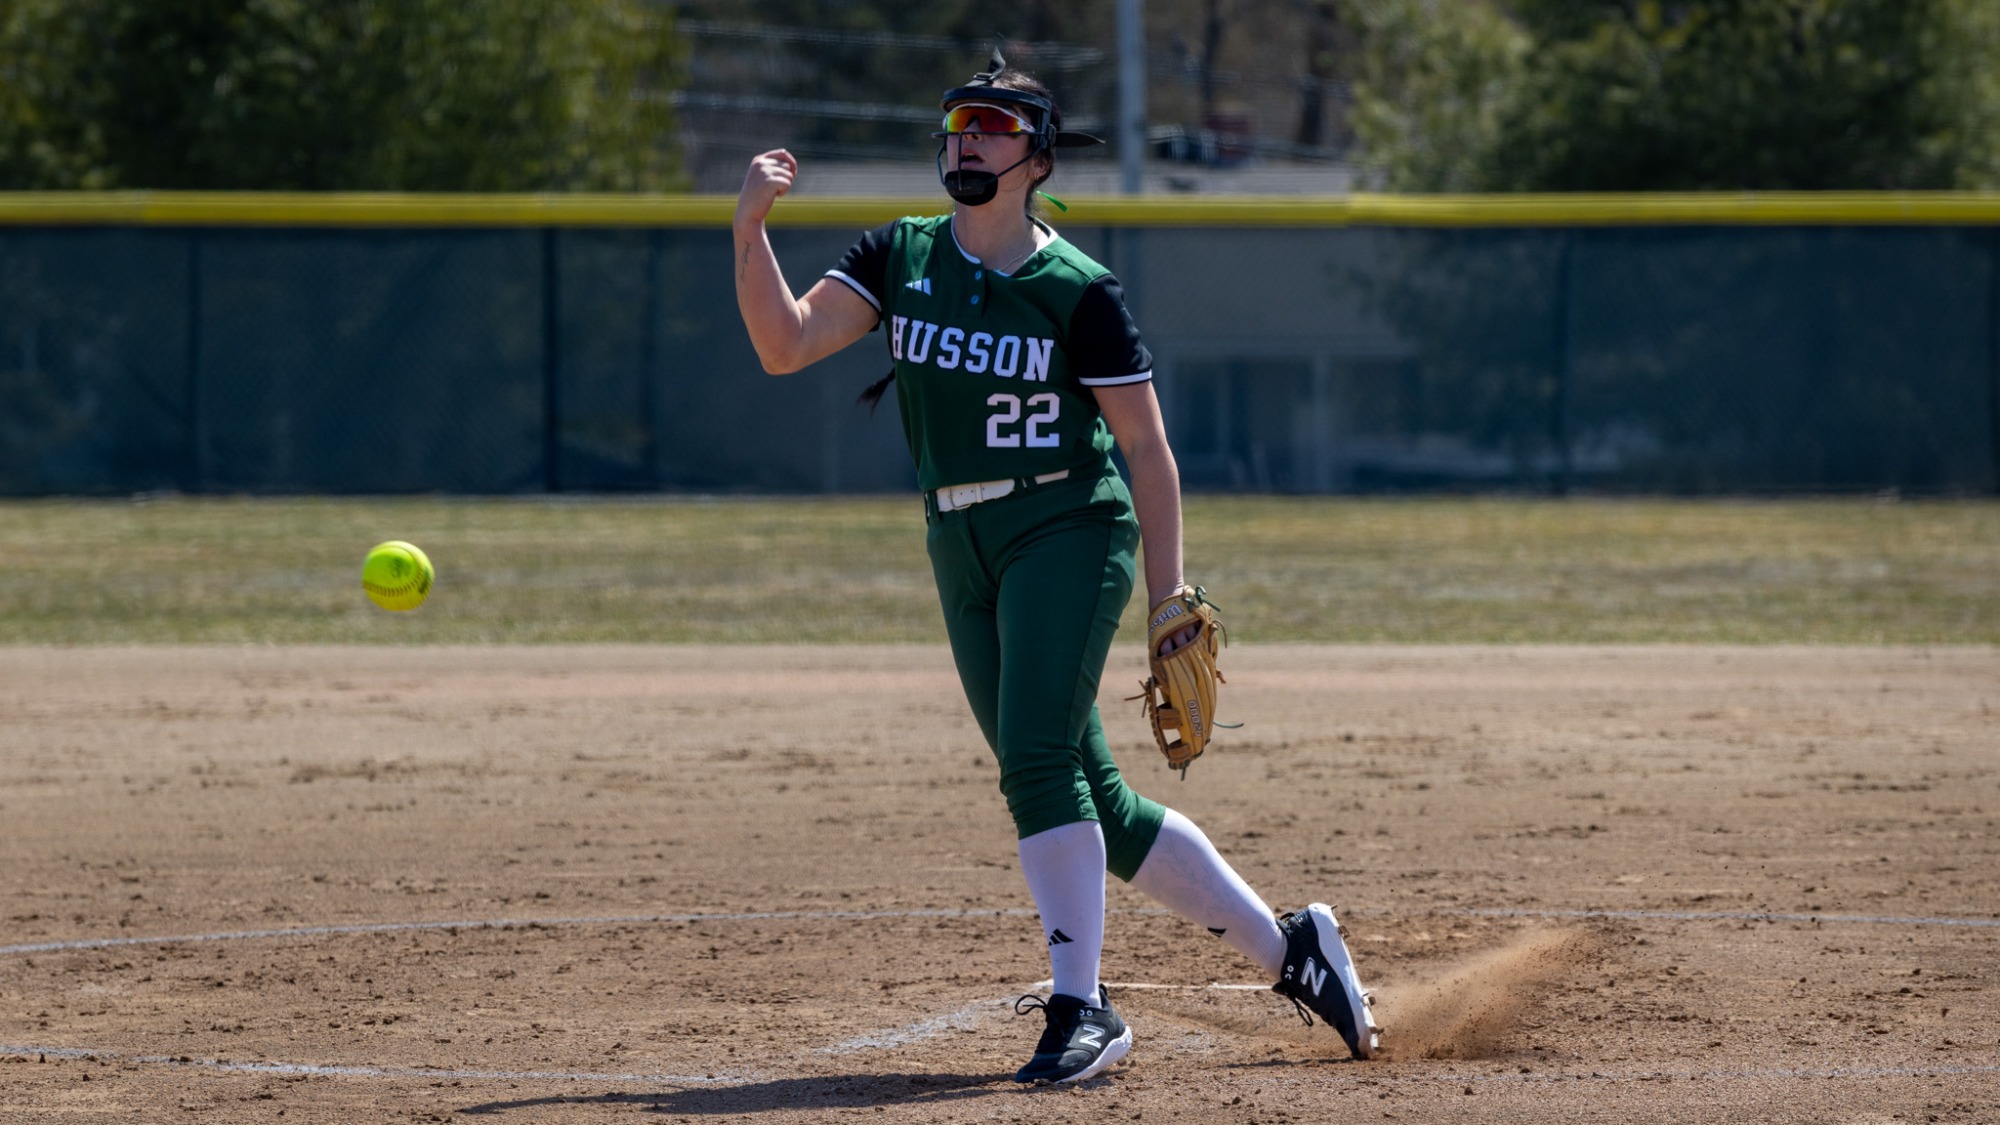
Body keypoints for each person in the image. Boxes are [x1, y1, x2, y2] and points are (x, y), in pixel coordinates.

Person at [731, 52, 1380, 1084]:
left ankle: (1082, 1009)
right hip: (958, 537)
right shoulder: (901, 256)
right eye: (956, 125)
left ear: (1034, 156)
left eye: (990, 127)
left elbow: (1147, 451)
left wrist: (1168, 593)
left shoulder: (1076, 290)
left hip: (1068, 526)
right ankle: (1291, 950)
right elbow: (784, 343)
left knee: (1034, 761)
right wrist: (749, 234)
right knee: (1096, 801)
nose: (966, 141)